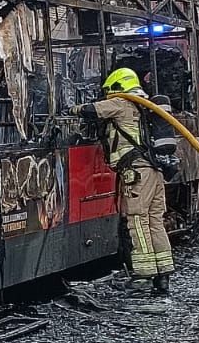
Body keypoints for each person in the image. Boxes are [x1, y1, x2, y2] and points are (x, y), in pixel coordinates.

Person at [70, 67, 174, 296]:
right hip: (155, 172)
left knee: (137, 221)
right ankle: (163, 276)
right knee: (155, 222)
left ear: (118, 87)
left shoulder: (121, 103)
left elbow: (90, 110)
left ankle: (143, 276)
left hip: (137, 172)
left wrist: (71, 107)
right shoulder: (147, 106)